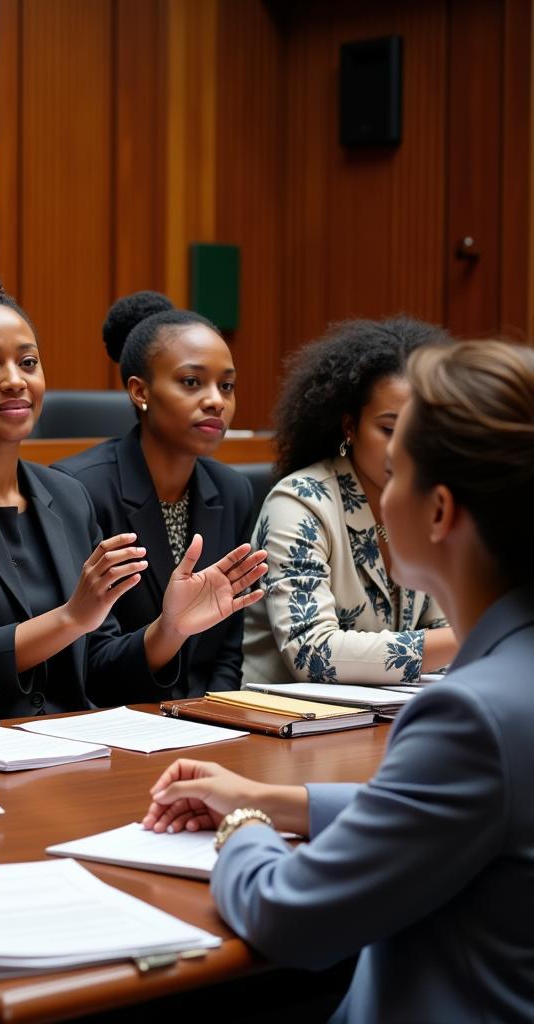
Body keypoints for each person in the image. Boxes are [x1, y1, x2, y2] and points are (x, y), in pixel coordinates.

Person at [143, 339, 534, 1022]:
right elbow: (449, 815)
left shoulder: (471, 717)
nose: (383, 492)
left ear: (439, 511)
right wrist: (275, 796)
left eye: (401, 466)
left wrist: (243, 821)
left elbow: (288, 917)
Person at [0, 267, 266, 719]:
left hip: (72, 747)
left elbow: (98, 668)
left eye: (28, 362)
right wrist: (70, 618)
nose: (16, 380)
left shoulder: (66, 496)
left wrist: (168, 630)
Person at [54, 291, 254, 697]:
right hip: (117, 722)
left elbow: (228, 648)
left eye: (227, 385)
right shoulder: (77, 490)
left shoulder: (234, 491)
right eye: (192, 382)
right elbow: (88, 660)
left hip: (211, 720)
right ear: (140, 392)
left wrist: (216, 716)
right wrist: (169, 630)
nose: (216, 401)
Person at [241, 317, 456, 684]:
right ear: (350, 427)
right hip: (282, 725)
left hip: (386, 719)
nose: (404, 448)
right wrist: (472, 635)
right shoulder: (299, 503)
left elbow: (442, 626)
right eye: (389, 429)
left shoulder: (427, 502)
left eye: (420, 430)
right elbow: (313, 653)